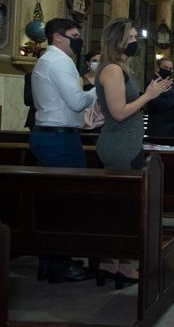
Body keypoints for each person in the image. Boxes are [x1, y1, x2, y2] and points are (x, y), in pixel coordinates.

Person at [29, 18, 97, 283]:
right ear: (58, 37)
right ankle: (59, 264)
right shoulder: (59, 61)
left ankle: (51, 260)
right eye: (75, 35)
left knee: (54, 201)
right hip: (59, 139)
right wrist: (99, 90)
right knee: (66, 201)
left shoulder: (48, 60)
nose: (78, 39)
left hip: (51, 134)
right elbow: (77, 101)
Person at [96, 17, 172, 170]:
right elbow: (119, 113)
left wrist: (152, 93)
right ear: (116, 41)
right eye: (130, 37)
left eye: (135, 37)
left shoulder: (119, 68)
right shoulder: (112, 69)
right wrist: (148, 95)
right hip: (120, 144)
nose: (134, 41)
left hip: (128, 142)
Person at [146, 58, 174, 137]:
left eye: (170, 69)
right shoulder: (153, 82)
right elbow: (156, 105)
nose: (168, 70)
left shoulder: (170, 82)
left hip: (172, 126)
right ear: (158, 67)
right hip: (160, 127)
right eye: (165, 68)